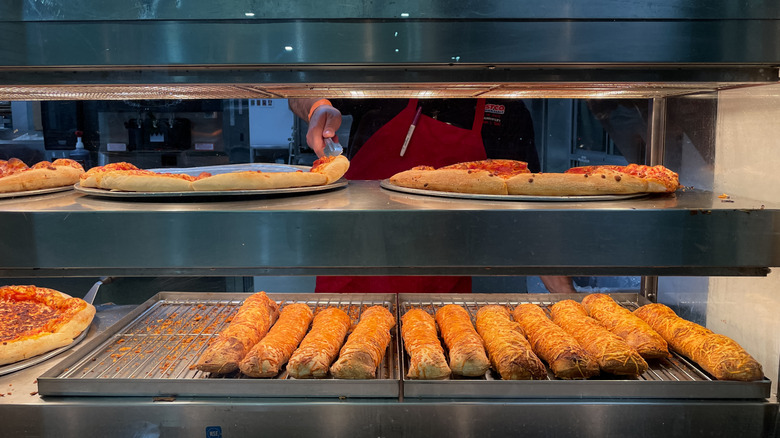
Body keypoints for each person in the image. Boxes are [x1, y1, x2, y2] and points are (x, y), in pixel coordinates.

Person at [289, 97, 576, 294]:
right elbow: (299, 90)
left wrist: (565, 295)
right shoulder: (386, 79)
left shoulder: (504, 109)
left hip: (440, 286)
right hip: (354, 267)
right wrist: (317, 109)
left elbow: (534, 214)